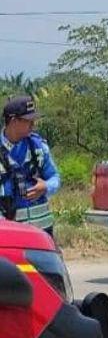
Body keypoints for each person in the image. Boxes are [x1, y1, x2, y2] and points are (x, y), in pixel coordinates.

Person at [0, 96, 60, 238]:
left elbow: (55, 177)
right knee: (22, 262)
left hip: (43, 234)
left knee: (56, 261)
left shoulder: (38, 147)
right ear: (14, 121)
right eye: (29, 121)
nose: (33, 125)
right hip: (11, 236)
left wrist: (46, 186)